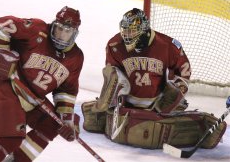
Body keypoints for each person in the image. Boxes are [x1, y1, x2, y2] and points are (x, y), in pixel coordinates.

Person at [82, 8, 226, 149]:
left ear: (144, 30)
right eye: (125, 29)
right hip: (126, 103)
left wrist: (175, 92)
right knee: (112, 77)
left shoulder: (167, 45)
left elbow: (183, 72)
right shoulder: (114, 45)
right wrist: (111, 96)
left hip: (159, 105)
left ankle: (193, 125)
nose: (126, 34)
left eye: (132, 30)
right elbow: (111, 74)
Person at [0, 6, 84, 162]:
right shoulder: (37, 29)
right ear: (54, 24)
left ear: (75, 33)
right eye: (59, 28)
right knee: (10, 137)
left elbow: (66, 91)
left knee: (51, 124)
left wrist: (66, 120)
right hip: (5, 84)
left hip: (30, 97)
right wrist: (3, 53)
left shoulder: (75, 57)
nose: (61, 34)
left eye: (67, 31)